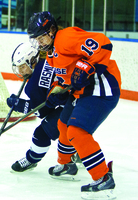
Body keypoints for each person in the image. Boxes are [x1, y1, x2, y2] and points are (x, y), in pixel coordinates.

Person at [27, 11, 121, 199]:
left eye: (42, 37)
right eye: (36, 39)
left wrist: (86, 67)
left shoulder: (65, 37)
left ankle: (103, 178)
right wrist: (56, 92)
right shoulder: (52, 52)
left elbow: (103, 43)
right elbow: (66, 77)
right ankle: (67, 164)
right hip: (83, 90)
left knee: (77, 132)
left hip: (101, 87)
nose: (39, 42)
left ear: (52, 30)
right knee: (63, 124)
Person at [7, 42, 73, 172]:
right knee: (72, 131)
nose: (20, 71)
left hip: (72, 104)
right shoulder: (46, 60)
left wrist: (18, 104)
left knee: (42, 134)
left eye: (22, 67)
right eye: (18, 68)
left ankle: (31, 160)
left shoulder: (33, 86)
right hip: (83, 98)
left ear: (32, 61)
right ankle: (76, 153)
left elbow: (41, 111)